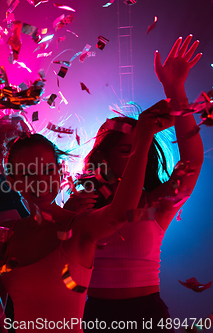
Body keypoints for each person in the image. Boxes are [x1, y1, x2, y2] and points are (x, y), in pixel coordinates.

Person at [0, 98, 175, 332]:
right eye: (27, 173)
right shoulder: (9, 234)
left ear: (59, 173)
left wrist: (144, 137)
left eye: (47, 170)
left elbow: (121, 212)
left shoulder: (78, 226)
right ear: (13, 181)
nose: (40, 181)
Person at [81, 35, 203, 332]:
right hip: (95, 316)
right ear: (104, 158)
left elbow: (192, 163)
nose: (138, 155)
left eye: (143, 148)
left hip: (147, 316)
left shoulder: (156, 204)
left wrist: (176, 91)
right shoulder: (81, 204)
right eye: (127, 150)